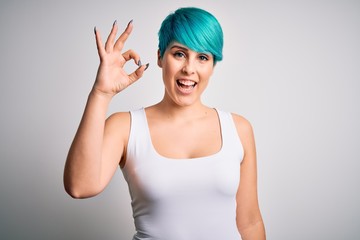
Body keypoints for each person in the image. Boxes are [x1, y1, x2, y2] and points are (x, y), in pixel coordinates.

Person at [64, 7, 266, 240]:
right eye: (179, 54)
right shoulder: (126, 127)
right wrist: (100, 94)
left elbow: (250, 223)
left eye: (202, 57)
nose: (189, 68)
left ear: (212, 66)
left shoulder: (238, 129)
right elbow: (80, 186)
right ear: (160, 57)